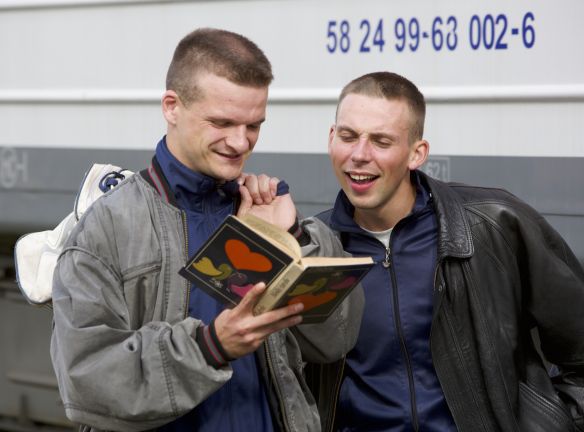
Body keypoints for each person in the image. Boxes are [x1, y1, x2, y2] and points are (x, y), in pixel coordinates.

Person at [50, 28, 363, 432]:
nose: (240, 142)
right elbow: (84, 381)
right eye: (222, 122)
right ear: (171, 106)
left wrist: (294, 238)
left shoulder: (261, 209)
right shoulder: (107, 229)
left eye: (254, 125)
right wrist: (210, 348)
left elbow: (334, 341)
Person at [311, 71, 584, 431]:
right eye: (348, 136)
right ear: (332, 139)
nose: (359, 155)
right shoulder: (317, 248)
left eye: (381, 141)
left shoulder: (494, 224)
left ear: (416, 153)